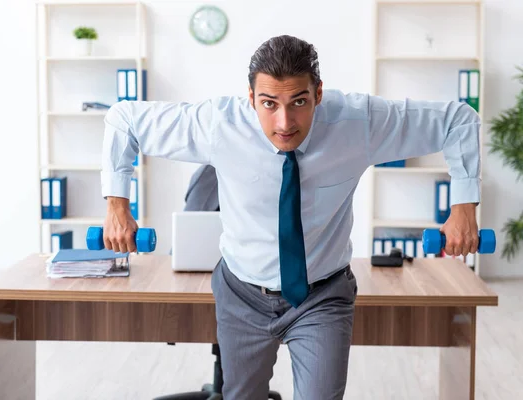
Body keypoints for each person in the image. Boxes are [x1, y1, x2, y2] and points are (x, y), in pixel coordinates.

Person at [100, 35, 481, 399]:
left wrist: (464, 207)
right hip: (241, 293)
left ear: (318, 93)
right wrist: (117, 205)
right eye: (269, 104)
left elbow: (458, 120)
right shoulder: (219, 124)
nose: (284, 123)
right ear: (250, 98)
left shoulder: (358, 122)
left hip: (322, 294)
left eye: (299, 102)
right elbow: (123, 120)